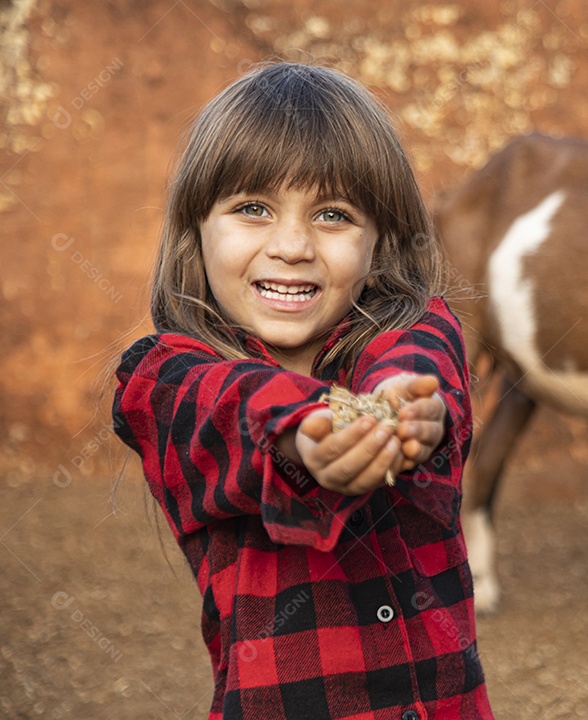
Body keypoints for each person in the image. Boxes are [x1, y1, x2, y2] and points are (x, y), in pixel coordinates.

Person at [113, 62, 493, 720]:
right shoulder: (162, 377)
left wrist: (404, 406)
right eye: (252, 209)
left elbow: (415, 359)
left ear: (382, 244)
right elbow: (227, 406)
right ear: (194, 233)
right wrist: (304, 432)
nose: (292, 245)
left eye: (333, 214)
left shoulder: (418, 332)